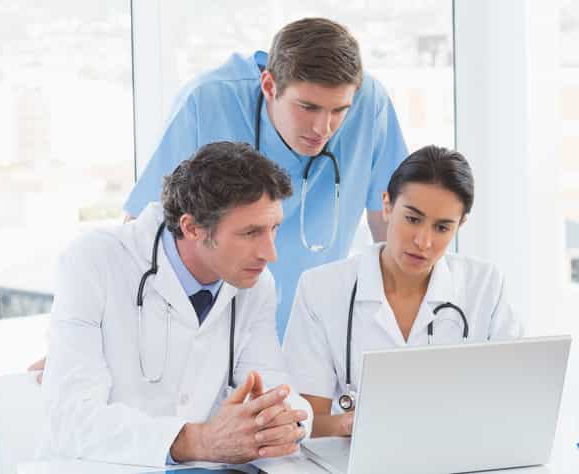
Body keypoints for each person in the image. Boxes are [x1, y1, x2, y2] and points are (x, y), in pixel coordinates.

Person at [124, 17, 408, 338]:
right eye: (308, 107)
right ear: (269, 86)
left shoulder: (369, 102)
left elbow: (392, 222)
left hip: (316, 327)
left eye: (339, 110)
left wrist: (399, 325)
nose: (323, 128)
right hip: (214, 327)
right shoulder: (206, 102)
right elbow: (143, 231)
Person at [38, 142, 311, 467]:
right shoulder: (95, 260)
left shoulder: (254, 284)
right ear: (192, 227)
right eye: (250, 233)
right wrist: (198, 441)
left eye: (274, 228)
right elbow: (71, 419)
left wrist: (287, 421)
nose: (271, 254)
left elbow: (271, 382)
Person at [282, 145, 523, 438]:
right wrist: (356, 424)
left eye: (443, 227)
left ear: (460, 225)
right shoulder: (321, 289)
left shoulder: (485, 285)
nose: (423, 241)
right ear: (387, 205)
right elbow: (303, 424)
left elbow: (514, 402)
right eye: (412, 218)